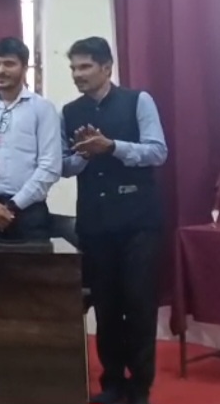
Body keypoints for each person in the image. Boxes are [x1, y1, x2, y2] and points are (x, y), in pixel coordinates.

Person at [59, 37, 167, 404]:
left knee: (138, 306)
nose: (77, 74)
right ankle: (112, 383)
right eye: (73, 68)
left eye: (85, 67)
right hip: (95, 223)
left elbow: (157, 152)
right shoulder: (70, 111)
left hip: (138, 223)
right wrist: (84, 154)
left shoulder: (138, 101)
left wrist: (112, 147)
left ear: (107, 67)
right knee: (105, 308)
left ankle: (140, 386)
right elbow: (64, 166)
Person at [0, 37, 61, 242]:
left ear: (24, 67)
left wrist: (14, 206)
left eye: (9, 64)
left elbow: (50, 166)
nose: (0, 70)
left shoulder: (42, 109)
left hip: (28, 214)